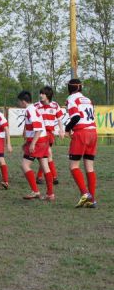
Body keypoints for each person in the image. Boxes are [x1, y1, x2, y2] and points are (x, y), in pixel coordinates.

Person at [64, 79, 98, 208]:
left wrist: (67, 130)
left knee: (74, 166)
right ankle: (92, 199)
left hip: (81, 133)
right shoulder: (88, 99)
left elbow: (76, 117)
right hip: (93, 132)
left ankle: (85, 194)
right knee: (89, 167)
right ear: (80, 87)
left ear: (69, 88)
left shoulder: (72, 99)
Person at [17, 91, 54, 201]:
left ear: (23, 102)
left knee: (25, 165)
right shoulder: (34, 108)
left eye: (18, 101)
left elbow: (38, 129)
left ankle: (35, 191)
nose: (18, 103)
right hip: (43, 140)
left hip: (38, 142)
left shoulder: (30, 110)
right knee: (45, 166)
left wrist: (32, 143)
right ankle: (50, 194)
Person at [34, 86, 65, 184]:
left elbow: (59, 118)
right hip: (41, 134)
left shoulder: (55, 105)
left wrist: (61, 130)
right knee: (48, 154)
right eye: (40, 93)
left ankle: (39, 177)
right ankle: (54, 176)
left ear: (48, 95)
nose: (40, 95)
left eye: (43, 94)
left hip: (50, 134)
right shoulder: (36, 106)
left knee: (45, 156)